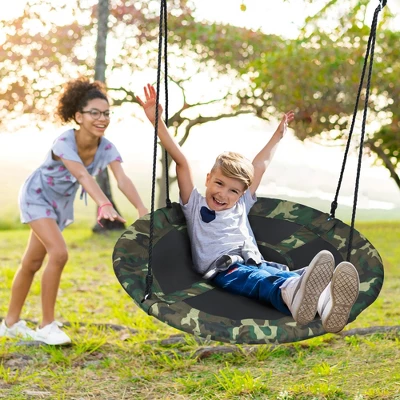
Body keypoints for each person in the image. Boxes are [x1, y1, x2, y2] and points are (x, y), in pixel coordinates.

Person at [137, 84, 360, 333]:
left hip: (257, 262)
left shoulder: (242, 203)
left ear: (242, 193)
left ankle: (326, 302)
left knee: (288, 275)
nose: (223, 194)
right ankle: (294, 295)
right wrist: (157, 122)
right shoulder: (195, 204)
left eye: (233, 190)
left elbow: (260, 165)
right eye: (219, 184)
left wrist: (278, 136)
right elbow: (181, 162)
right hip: (223, 268)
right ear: (208, 178)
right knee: (258, 281)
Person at [0, 78, 148, 345]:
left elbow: (122, 179)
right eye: (94, 113)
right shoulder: (64, 142)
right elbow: (82, 175)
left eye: (106, 113)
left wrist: (141, 208)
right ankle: (46, 326)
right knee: (59, 253)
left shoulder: (106, 147)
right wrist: (103, 203)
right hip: (36, 197)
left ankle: (10, 324)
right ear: (79, 116)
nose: (101, 119)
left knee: (32, 263)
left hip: (58, 206)